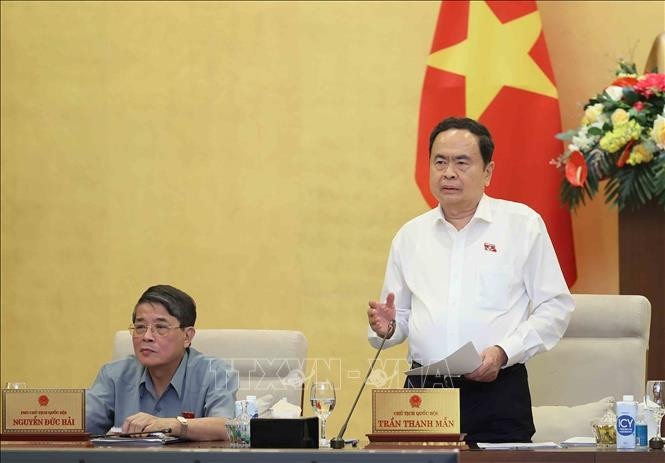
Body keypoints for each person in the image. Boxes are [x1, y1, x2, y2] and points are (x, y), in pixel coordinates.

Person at [366, 117, 574, 443]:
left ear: (488, 172)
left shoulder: (522, 225)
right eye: (440, 162)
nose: (449, 172)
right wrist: (388, 327)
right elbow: (399, 319)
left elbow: (556, 307)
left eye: (462, 163)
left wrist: (504, 351)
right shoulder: (410, 236)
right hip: (425, 395)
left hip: (498, 391)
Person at [86, 284, 238, 440]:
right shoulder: (114, 375)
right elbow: (77, 425)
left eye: (160, 327)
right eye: (140, 327)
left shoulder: (215, 372)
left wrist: (171, 425)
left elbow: (227, 427)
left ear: (187, 336)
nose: (147, 336)